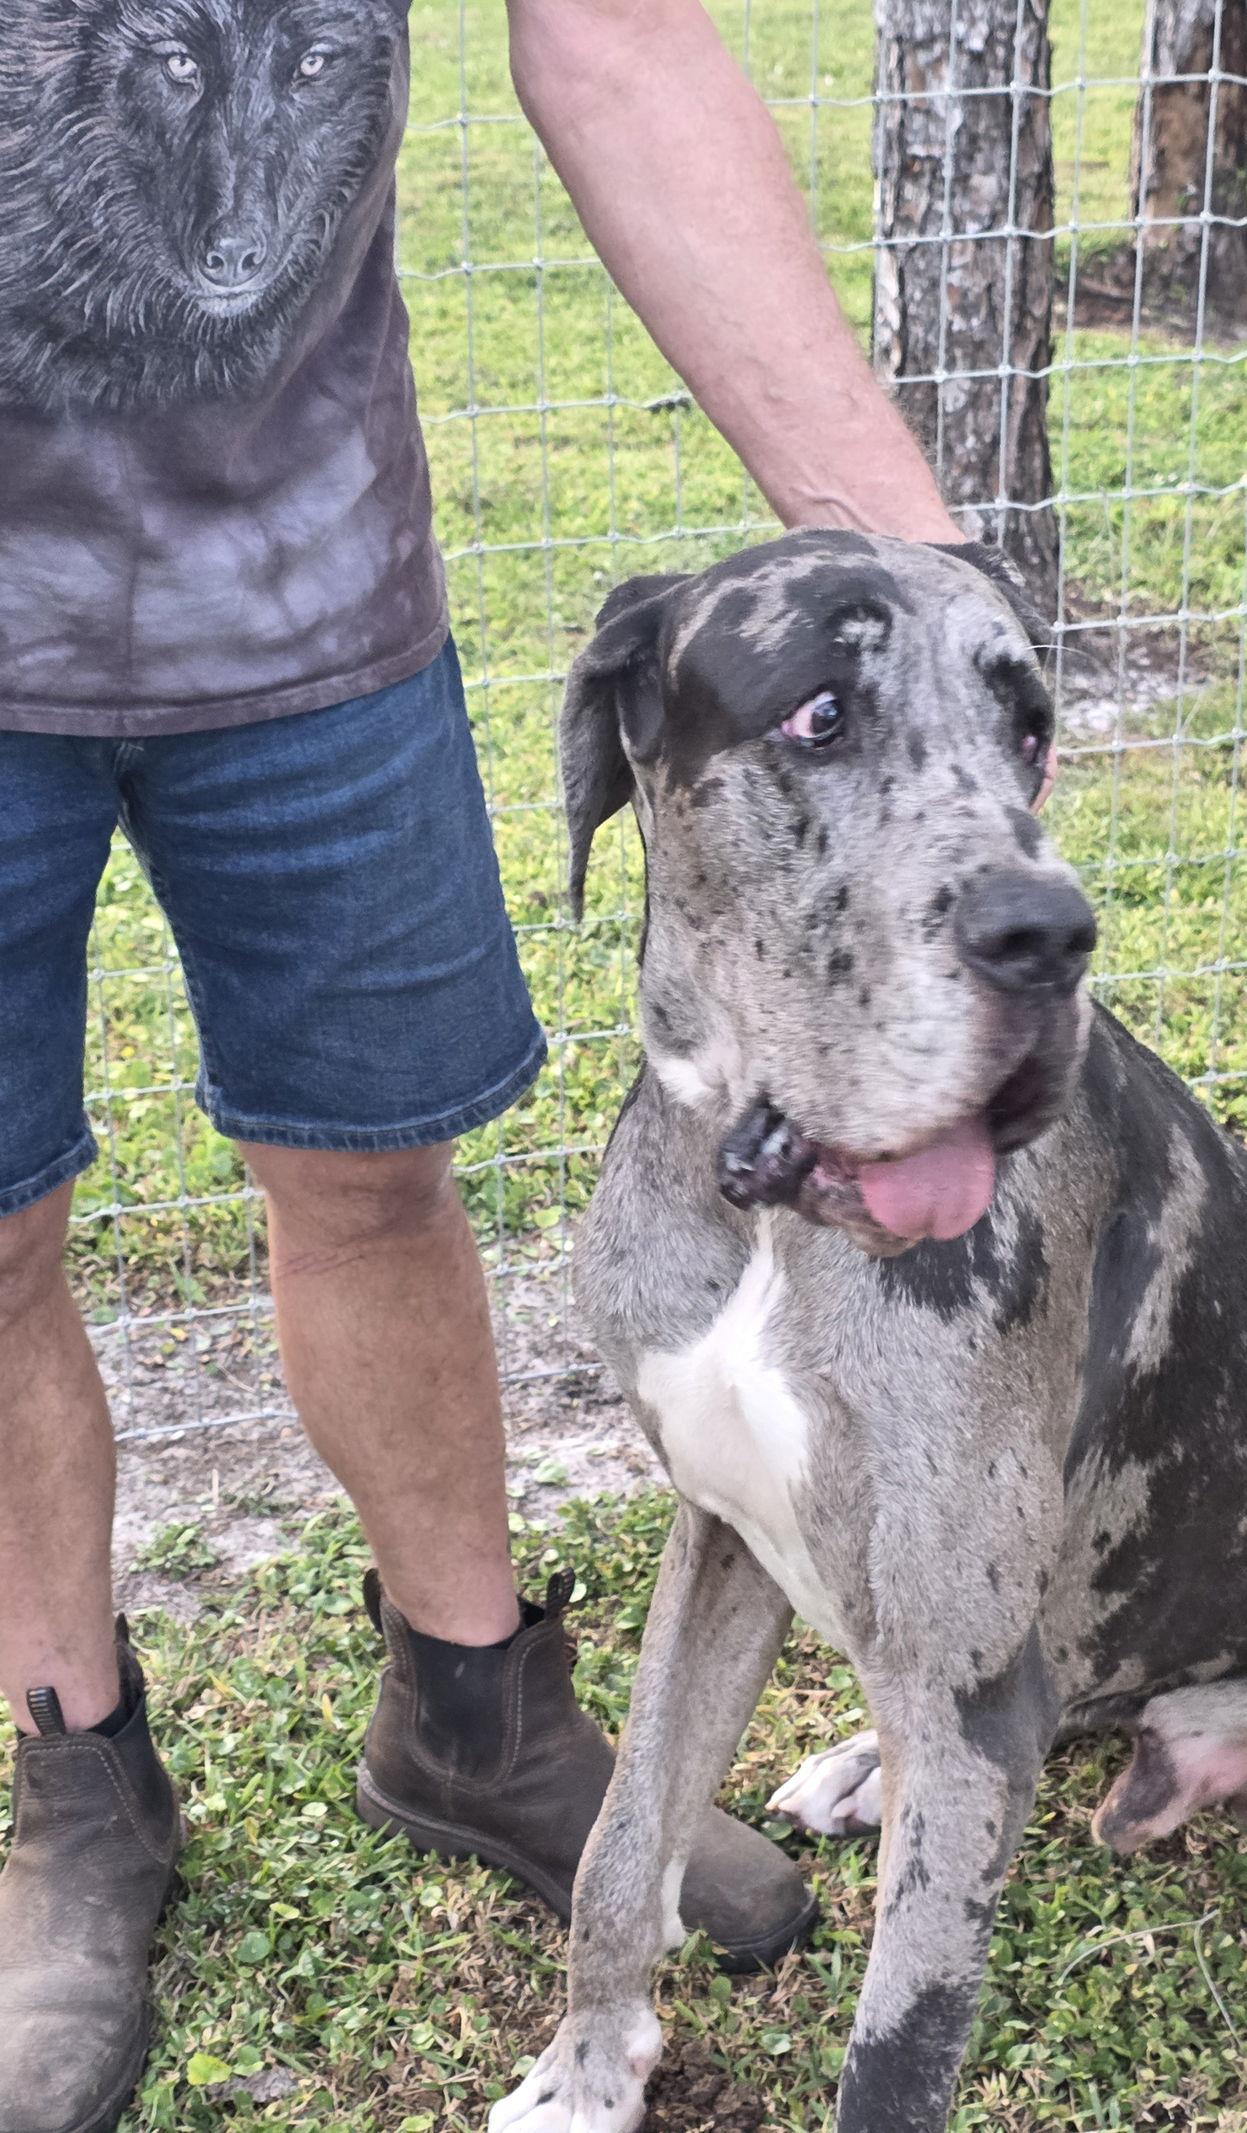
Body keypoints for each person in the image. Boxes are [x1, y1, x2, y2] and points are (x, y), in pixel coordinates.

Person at [0, 2, 963, 2126]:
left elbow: (611, 37)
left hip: (311, 589)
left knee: (373, 1167)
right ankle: (79, 1780)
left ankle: (470, 1703)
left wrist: (911, 566)